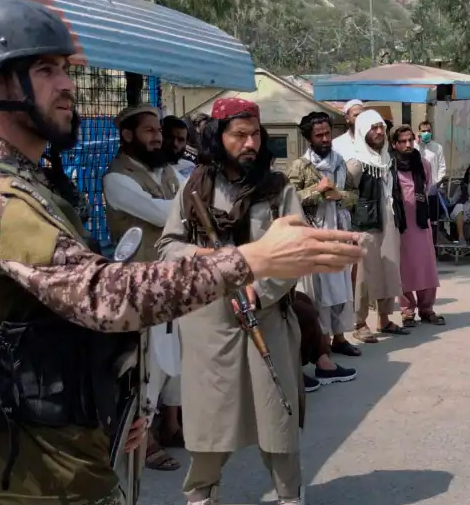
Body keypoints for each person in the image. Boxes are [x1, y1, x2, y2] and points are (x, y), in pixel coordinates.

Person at [0, 0, 363, 505]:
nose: (66, 85)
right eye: (45, 69)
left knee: (277, 420)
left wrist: (110, 406)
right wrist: (250, 261)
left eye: (64, 68)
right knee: (212, 426)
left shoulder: (33, 185)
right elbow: (103, 296)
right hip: (37, 470)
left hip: (74, 448)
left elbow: (56, 323)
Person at [157, 98, 313, 505]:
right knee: (211, 419)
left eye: (255, 134)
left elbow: (297, 251)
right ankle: (202, 494)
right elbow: (168, 248)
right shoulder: (194, 189)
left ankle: (289, 495)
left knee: (276, 414)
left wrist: (261, 291)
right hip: (209, 323)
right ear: (218, 137)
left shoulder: (278, 190)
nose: (250, 143)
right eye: (240, 135)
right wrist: (210, 259)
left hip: (267, 317)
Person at [103, 104, 186, 471]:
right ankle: (144, 440)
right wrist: (185, 205)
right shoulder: (116, 179)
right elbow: (167, 213)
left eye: (158, 131)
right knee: (148, 364)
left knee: (177, 356)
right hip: (141, 286)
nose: (158, 137)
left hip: (174, 280)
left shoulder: (166, 170)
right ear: (128, 135)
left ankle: (172, 426)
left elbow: (190, 200)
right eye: (149, 131)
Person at [287, 110, 362, 378]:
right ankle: (322, 345)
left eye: (327, 133)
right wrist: (317, 192)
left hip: (339, 231)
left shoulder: (340, 162)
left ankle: (340, 338)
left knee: (341, 287)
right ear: (309, 137)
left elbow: (354, 195)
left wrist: (339, 195)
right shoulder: (300, 166)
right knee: (319, 292)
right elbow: (290, 198)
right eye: (319, 135)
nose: (325, 139)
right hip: (315, 235)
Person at [345, 110, 407, 342]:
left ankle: (384, 319)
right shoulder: (356, 163)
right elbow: (347, 197)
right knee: (363, 276)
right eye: (374, 128)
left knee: (389, 270)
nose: (379, 132)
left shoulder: (388, 159)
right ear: (363, 131)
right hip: (366, 225)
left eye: (381, 127)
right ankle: (359, 322)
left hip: (389, 220)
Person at [391, 125, 443, 326]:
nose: (407, 145)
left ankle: (426, 308)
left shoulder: (423, 163)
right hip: (400, 224)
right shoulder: (389, 165)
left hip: (421, 223)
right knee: (403, 268)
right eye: (402, 141)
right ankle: (407, 310)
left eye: (410, 141)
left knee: (426, 265)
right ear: (394, 144)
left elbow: (427, 184)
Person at [415, 120, 447, 244]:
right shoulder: (415, 146)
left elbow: (442, 167)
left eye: (428, 131)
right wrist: (418, 143)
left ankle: (434, 244)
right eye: (423, 131)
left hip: (434, 189)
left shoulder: (437, 147)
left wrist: (438, 184)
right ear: (419, 132)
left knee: (434, 219)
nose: (426, 133)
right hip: (419, 189)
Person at [162, 114, 196, 179]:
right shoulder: (151, 169)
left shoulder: (190, 168)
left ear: (186, 143)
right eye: (170, 137)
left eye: (180, 140)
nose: (175, 143)